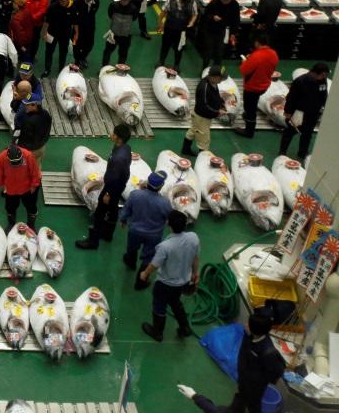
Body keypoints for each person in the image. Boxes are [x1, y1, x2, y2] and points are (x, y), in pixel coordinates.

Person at [178, 313, 285, 413]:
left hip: (254, 387)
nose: (245, 324)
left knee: (253, 404)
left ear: (255, 329)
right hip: (244, 380)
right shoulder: (249, 336)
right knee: (240, 398)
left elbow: (278, 370)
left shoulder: (268, 352)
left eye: (248, 324)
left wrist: (194, 396)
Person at [139, 210, 198, 342]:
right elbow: (195, 258)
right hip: (183, 282)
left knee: (159, 305)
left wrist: (145, 273)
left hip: (165, 284)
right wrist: (195, 273)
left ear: (168, 224)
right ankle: (185, 328)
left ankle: (157, 332)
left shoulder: (165, 246)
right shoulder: (193, 238)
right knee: (175, 302)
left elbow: (154, 264)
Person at [76, 124, 132, 249]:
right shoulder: (125, 148)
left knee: (100, 212)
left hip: (112, 187)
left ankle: (93, 242)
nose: (111, 135)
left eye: (114, 133)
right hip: (119, 185)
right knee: (113, 208)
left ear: (119, 138)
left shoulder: (118, 158)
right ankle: (108, 234)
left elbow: (114, 177)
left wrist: (108, 194)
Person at [120, 170, 172, 290]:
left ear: (147, 182)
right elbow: (169, 218)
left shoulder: (135, 195)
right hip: (154, 235)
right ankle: (140, 282)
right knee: (149, 257)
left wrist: (123, 220)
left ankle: (130, 262)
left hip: (135, 231)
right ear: (161, 186)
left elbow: (126, 209)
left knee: (132, 248)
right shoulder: (164, 203)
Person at [280, 62, 329, 160]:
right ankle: (282, 151)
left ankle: (303, 152)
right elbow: (291, 98)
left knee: (307, 133)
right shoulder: (300, 81)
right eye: (323, 75)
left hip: (313, 113)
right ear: (315, 73)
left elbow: (323, 94)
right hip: (299, 113)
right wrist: (288, 111)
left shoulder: (322, 80)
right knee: (290, 132)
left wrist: (324, 106)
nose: (325, 77)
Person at [235, 34, 278, 139]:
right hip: (264, 85)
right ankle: (248, 117)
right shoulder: (273, 54)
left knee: (250, 108)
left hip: (252, 87)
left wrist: (245, 62)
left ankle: (249, 131)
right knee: (253, 104)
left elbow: (244, 70)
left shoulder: (257, 56)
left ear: (257, 42)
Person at [0, 136, 41, 230]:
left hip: (27, 189)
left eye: (18, 162)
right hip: (11, 190)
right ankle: (11, 224)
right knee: (10, 208)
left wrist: (34, 185)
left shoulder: (28, 155)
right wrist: (2, 185)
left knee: (31, 207)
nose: (16, 165)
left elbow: (35, 172)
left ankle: (31, 225)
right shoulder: (1, 157)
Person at [182, 65, 226, 156]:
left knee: (193, 130)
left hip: (200, 116)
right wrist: (217, 113)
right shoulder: (204, 87)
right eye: (220, 78)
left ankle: (185, 149)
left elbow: (215, 96)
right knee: (204, 140)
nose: (222, 80)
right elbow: (204, 106)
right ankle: (202, 158)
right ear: (214, 77)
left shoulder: (213, 83)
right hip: (202, 117)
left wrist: (221, 103)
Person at [200, 0, 240, 71]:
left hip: (224, 31)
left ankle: (216, 71)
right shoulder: (214, 2)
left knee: (219, 52)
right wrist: (213, 17)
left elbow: (236, 20)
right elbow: (205, 14)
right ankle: (204, 70)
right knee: (208, 51)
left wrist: (233, 33)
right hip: (211, 29)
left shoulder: (234, 5)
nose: (224, 1)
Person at [157, 0, 197, 71]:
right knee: (165, 46)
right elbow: (163, 12)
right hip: (169, 28)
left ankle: (176, 65)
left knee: (179, 48)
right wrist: (160, 23)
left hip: (182, 30)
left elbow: (195, 14)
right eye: (184, 1)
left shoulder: (192, 2)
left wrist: (192, 22)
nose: (185, 3)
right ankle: (161, 61)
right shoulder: (171, 0)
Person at [40, 0, 75, 78]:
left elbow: (74, 23)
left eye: (63, 0)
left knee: (63, 52)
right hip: (52, 34)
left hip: (65, 35)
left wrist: (75, 35)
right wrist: (44, 33)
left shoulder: (73, 8)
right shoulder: (52, 7)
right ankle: (47, 69)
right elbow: (47, 22)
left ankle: (61, 69)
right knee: (49, 51)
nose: (61, 1)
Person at [100, 0, 137, 67]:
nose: (123, 1)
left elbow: (134, 18)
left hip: (126, 36)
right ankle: (104, 67)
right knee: (107, 51)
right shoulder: (113, 5)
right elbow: (110, 14)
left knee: (123, 53)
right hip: (113, 34)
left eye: (125, 0)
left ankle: (120, 69)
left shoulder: (134, 9)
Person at [72, 0, 99, 68]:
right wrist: (76, 32)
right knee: (76, 45)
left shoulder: (96, 2)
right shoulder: (77, 3)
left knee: (89, 45)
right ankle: (77, 61)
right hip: (78, 28)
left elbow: (93, 13)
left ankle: (83, 58)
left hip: (90, 28)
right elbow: (74, 18)